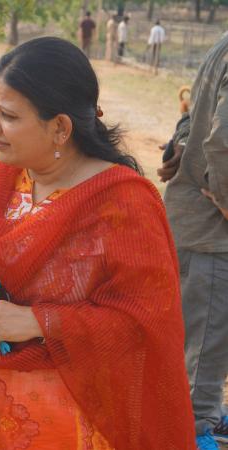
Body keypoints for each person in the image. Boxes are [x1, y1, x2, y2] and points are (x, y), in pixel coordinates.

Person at [0, 37, 196, 449]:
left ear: (60, 127)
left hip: (71, 423)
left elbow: (144, 324)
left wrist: (40, 321)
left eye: (8, 115)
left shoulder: (122, 203)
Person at [158, 32, 228, 450]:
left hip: (195, 229)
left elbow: (195, 122)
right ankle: (193, 431)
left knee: (200, 348)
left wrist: (182, 144)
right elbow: (221, 143)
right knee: (202, 356)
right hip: (210, 237)